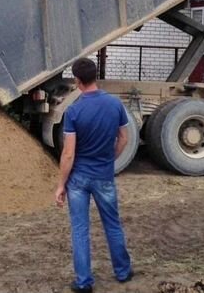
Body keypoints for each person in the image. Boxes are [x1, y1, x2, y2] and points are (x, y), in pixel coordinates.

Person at [55, 57, 133, 292]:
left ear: (77, 81)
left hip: (78, 179)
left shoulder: (74, 111)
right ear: (95, 76)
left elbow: (68, 154)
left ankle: (83, 282)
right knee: (112, 224)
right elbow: (124, 139)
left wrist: (61, 185)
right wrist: (110, 159)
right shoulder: (115, 104)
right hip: (104, 175)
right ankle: (122, 272)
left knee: (80, 230)